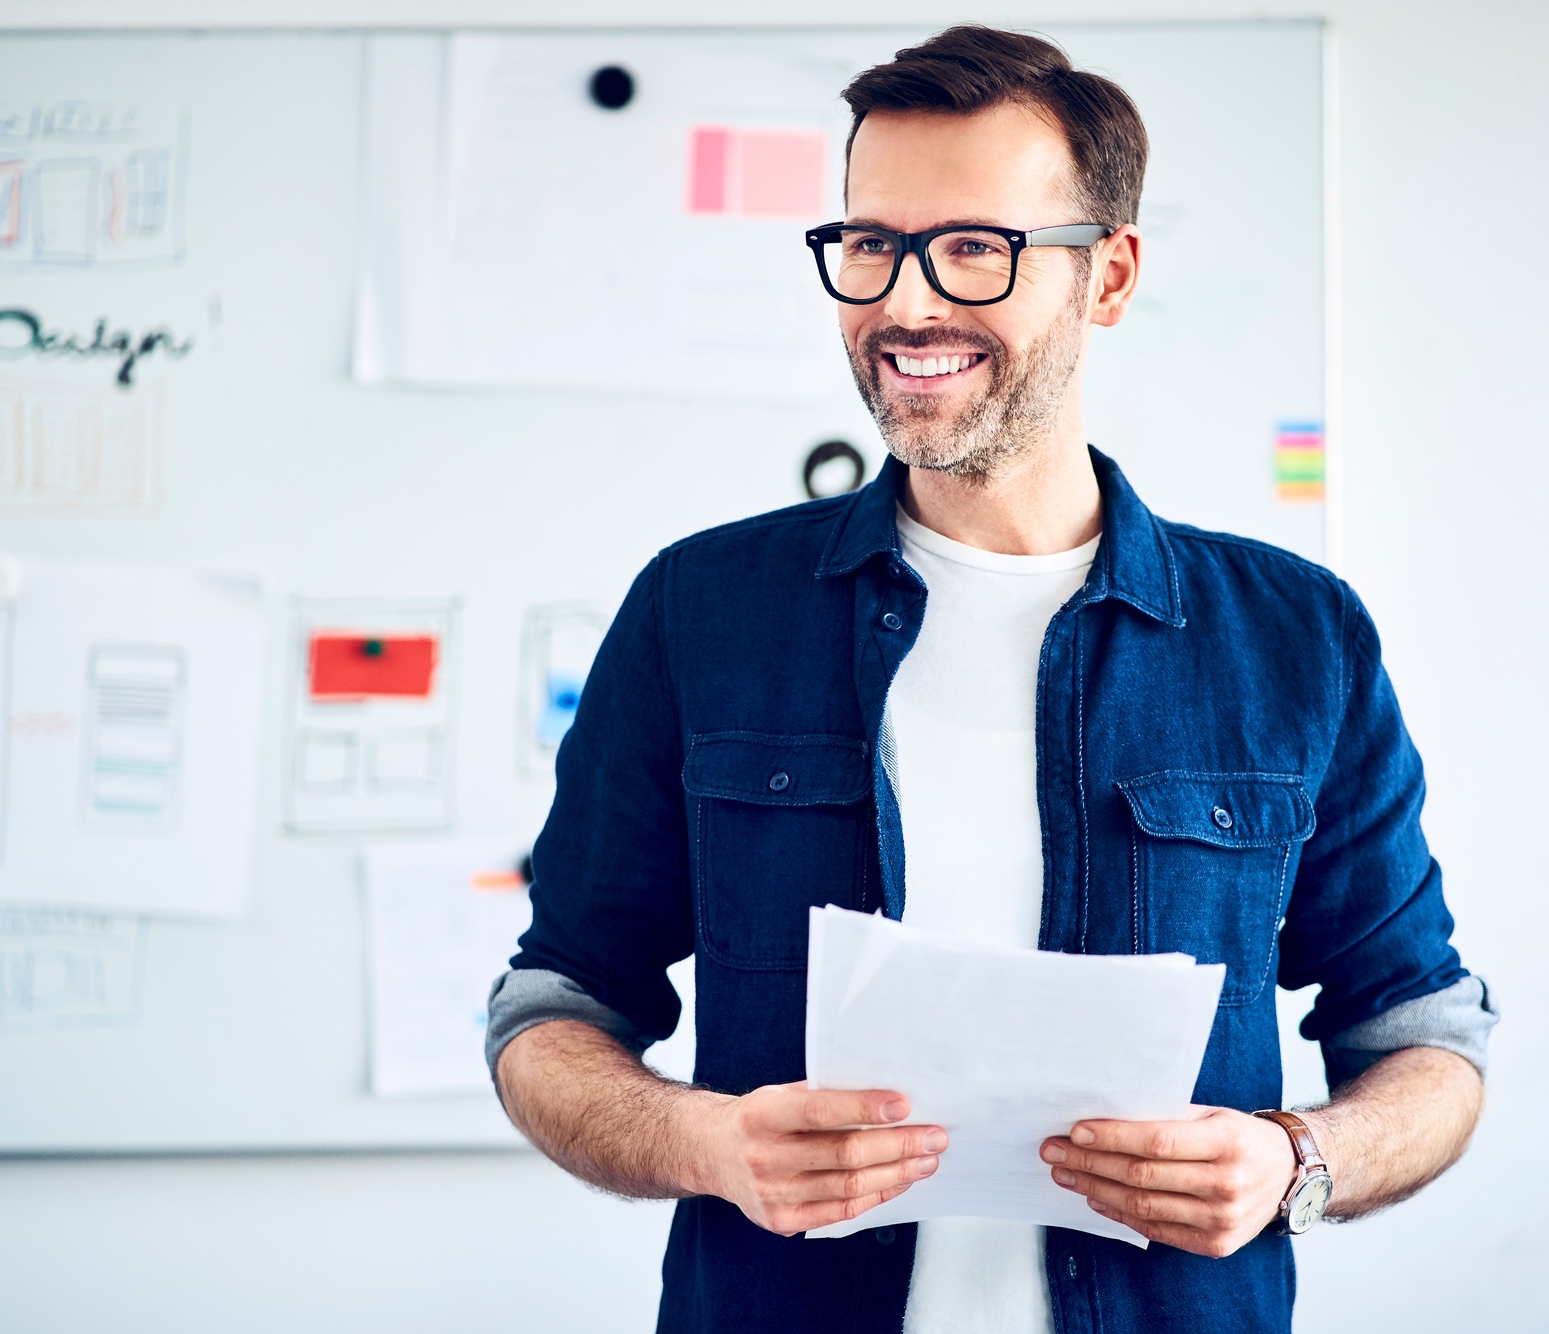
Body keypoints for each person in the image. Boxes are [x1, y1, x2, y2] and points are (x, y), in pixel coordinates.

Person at [487, 25, 1497, 1334]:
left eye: (975, 247)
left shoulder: (1295, 640)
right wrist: (708, 1142)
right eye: (870, 245)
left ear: (1110, 275)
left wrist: (1298, 1160)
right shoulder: (701, 611)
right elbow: (552, 1009)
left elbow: (1427, 1037)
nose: (906, 304)